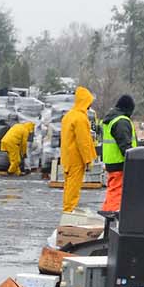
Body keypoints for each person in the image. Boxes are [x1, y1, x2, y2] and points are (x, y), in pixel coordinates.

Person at [59, 86, 96, 214]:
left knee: (68, 186)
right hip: (76, 158)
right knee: (73, 188)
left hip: (67, 157)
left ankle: (67, 210)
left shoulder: (68, 116)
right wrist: (88, 160)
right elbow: (83, 142)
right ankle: (69, 212)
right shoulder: (80, 118)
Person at [100, 94, 137, 212]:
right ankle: (111, 219)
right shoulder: (121, 121)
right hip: (121, 163)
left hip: (112, 162)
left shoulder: (110, 119)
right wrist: (135, 161)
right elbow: (125, 145)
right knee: (117, 193)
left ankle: (108, 215)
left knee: (113, 192)